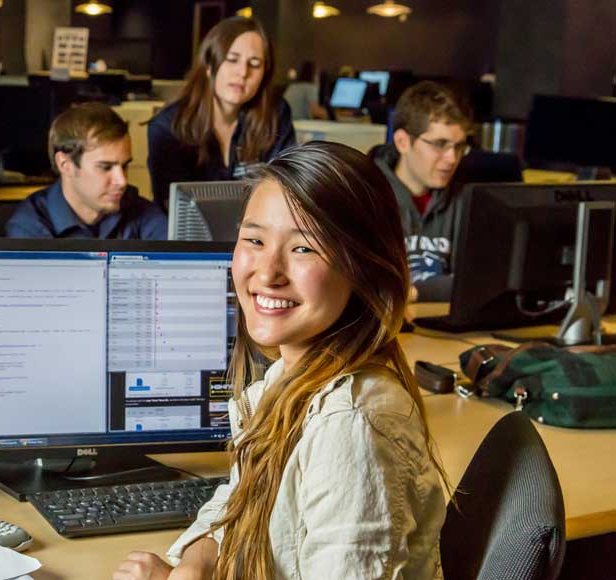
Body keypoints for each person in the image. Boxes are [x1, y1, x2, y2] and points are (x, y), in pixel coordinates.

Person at [113, 142, 446, 579]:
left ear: (363, 267)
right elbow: (236, 499)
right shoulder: (288, 379)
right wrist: (195, 564)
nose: (267, 272)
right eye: (254, 240)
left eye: (304, 248)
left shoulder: (352, 423)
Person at [147, 17, 296, 209]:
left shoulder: (276, 114)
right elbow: (172, 207)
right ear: (209, 66)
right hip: (191, 237)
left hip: (259, 232)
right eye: (232, 59)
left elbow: (287, 188)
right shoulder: (167, 126)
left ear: (265, 74)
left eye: (255, 63)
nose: (242, 72)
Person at [370, 81, 471, 302]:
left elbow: (476, 281)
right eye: (439, 144)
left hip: (442, 327)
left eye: (459, 146)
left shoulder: (467, 201)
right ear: (402, 142)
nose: (452, 158)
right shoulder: (365, 195)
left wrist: (414, 293)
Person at [6, 102, 166, 239]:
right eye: (105, 167)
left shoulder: (141, 211)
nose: (122, 181)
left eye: (124, 166)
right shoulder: (28, 228)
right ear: (65, 164)